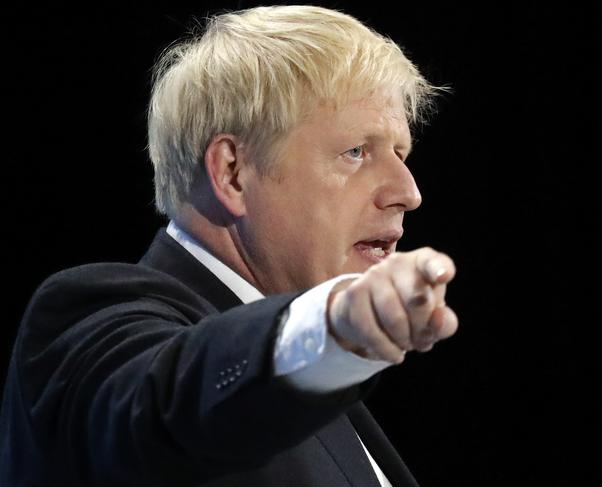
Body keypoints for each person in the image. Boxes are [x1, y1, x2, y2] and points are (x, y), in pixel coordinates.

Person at [0, 5, 458, 486]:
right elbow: (165, 403)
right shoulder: (91, 320)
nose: (408, 192)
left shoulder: (321, 386)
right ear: (233, 173)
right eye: (356, 152)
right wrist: (330, 326)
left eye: (400, 153)